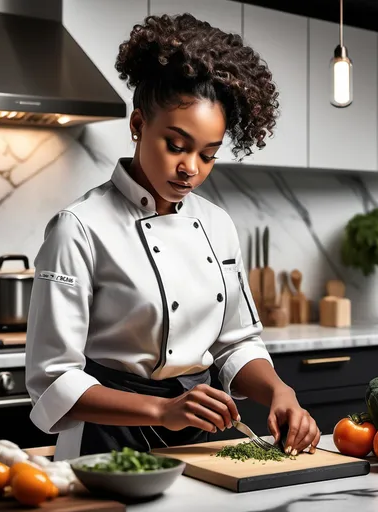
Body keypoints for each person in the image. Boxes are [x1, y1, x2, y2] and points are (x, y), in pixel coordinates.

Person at [25, 12, 320, 461]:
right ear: (138, 124)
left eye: (208, 154)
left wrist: (281, 392)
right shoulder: (79, 228)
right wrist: (162, 409)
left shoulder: (217, 224)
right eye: (176, 146)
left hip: (203, 437)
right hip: (108, 443)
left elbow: (235, 343)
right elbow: (54, 379)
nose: (191, 168)